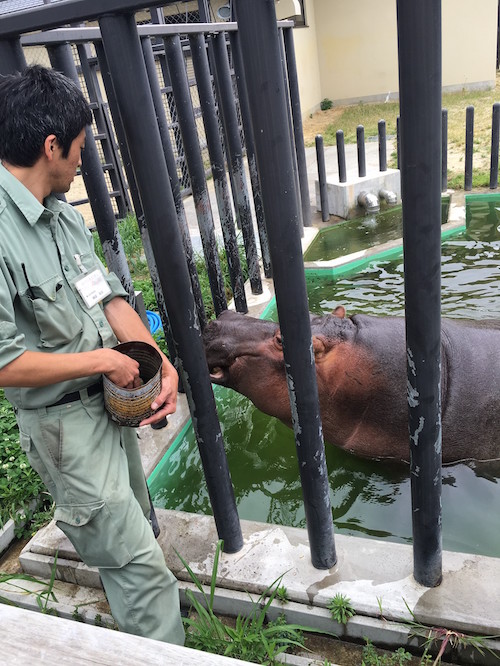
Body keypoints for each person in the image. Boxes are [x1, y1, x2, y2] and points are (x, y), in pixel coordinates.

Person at [0, 65, 185, 645]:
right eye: (80, 147)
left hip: (109, 414)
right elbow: (4, 365)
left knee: (135, 541)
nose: (84, 160)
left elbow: (106, 297)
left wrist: (158, 358)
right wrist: (104, 362)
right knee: (139, 571)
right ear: (51, 146)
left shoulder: (60, 218)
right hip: (64, 431)